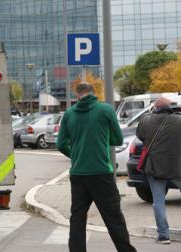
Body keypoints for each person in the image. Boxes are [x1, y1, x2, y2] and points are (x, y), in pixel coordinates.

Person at [57, 83, 136, 252]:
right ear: (94, 93)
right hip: (101, 173)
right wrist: (101, 142)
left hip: (78, 174)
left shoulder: (69, 114)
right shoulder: (106, 110)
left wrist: (76, 155)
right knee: (113, 217)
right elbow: (118, 139)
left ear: (77, 95)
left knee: (77, 219)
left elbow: (61, 144)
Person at [135, 97, 181, 245]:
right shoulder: (179, 120)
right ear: (170, 107)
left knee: (158, 202)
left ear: (155, 107)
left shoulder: (145, 120)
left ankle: (163, 236)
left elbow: (140, 136)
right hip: (177, 166)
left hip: (155, 167)